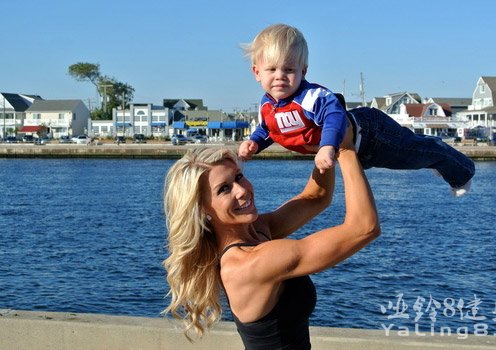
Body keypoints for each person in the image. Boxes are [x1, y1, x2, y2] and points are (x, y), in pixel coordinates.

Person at [162, 122, 380, 349]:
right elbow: (364, 227)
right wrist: (345, 146)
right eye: (224, 189)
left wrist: (327, 137)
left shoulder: (258, 230)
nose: (242, 190)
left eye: (238, 177)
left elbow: (317, 196)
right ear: (203, 210)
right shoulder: (249, 264)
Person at [239, 23, 475, 197]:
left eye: (289, 69)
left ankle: (462, 172)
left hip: (372, 134)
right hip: (355, 152)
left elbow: (333, 117)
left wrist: (327, 147)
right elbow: (269, 129)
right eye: (271, 69)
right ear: (257, 72)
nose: (280, 76)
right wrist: (255, 143)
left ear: (304, 71)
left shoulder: (310, 97)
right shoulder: (266, 106)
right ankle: (438, 162)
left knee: (416, 151)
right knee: (416, 157)